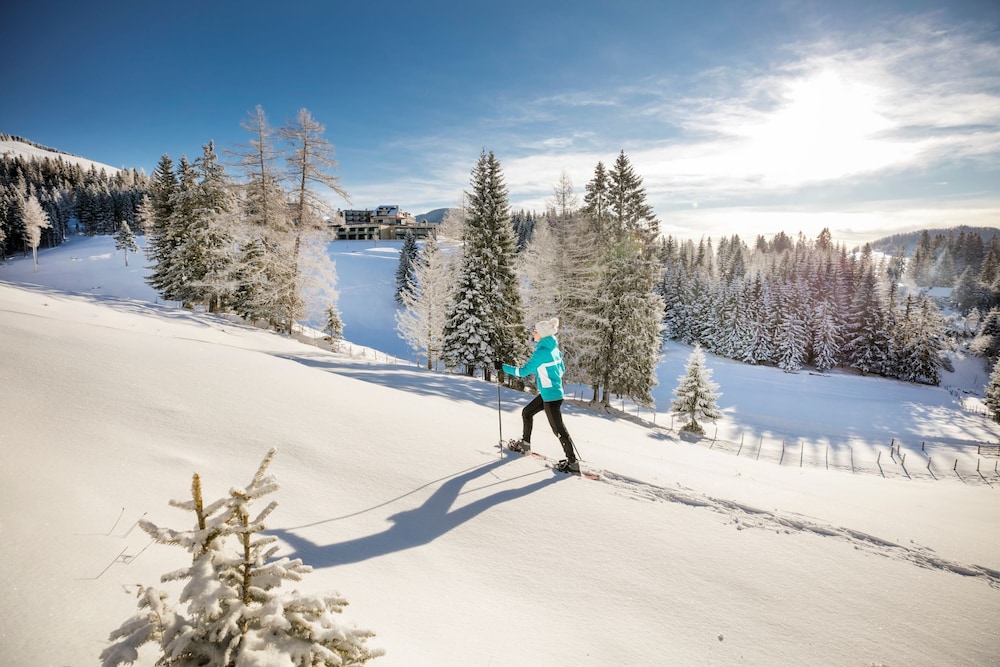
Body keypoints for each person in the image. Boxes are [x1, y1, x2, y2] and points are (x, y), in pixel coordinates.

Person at [499, 318, 579, 473]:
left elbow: (523, 372)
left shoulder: (542, 352)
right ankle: (525, 444)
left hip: (550, 397)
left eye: (535, 331)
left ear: (542, 334)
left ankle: (573, 463)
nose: (534, 333)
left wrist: (503, 367)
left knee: (559, 430)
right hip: (552, 393)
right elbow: (562, 370)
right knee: (527, 412)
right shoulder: (554, 349)